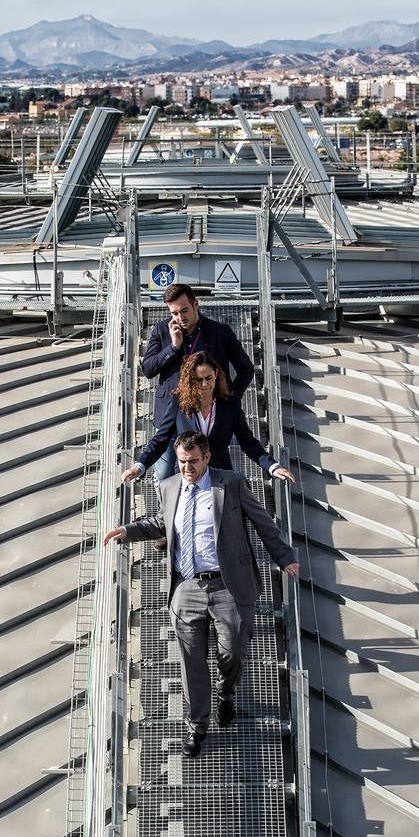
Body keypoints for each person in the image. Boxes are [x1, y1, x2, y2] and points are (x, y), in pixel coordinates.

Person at [105, 431, 299, 758]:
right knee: (191, 662)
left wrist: (285, 557)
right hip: (186, 588)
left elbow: (263, 522)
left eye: (193, 461)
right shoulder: (169, 487)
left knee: (233, 652)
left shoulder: (231, 484)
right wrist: (127, 531)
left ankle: (226, 693)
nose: (187, 468)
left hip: (228, 585)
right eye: (182, 461)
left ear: (207, 457)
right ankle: (197, 725)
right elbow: (160, 523)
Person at [122, 351, 295, 485]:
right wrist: (140, 466)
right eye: (198, 380)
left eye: (209, 378)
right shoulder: (179, 403)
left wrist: (273, 466)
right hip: (188, 476)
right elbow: (161, 438)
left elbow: (247, 441)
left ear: (217, 375)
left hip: (220, 475)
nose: (205, 384)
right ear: (190, 381)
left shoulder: (230, 403)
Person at [140, 284, 254, 482]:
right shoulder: (161, 331)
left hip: (205, 413)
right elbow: (148, 369)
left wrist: (228, 397)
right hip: (170, 413)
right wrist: (173, 347)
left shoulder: (220, 332)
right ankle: (167, 512)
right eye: (174, 313)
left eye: (184, 310)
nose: (180, 317)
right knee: (164, 474)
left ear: (196, 305)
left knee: (210, 469)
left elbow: (246, 369)